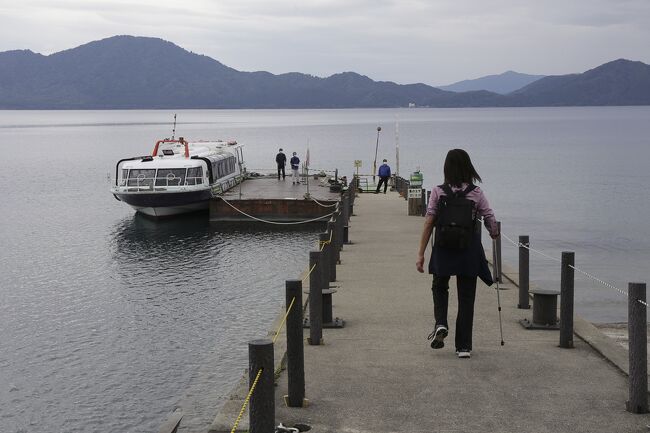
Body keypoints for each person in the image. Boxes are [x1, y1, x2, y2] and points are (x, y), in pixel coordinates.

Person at [415, 149, 499, 359]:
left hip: (443, 248)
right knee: (466, 296)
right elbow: (489, 216)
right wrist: (494, 232)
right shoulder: (476, 193)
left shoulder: (437, 191)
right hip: (468, 249)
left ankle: (441, 323)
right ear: (468, 167)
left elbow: (429, 221)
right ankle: (463, 346)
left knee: (440, 286)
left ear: (447, 168)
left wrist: (421, 253)